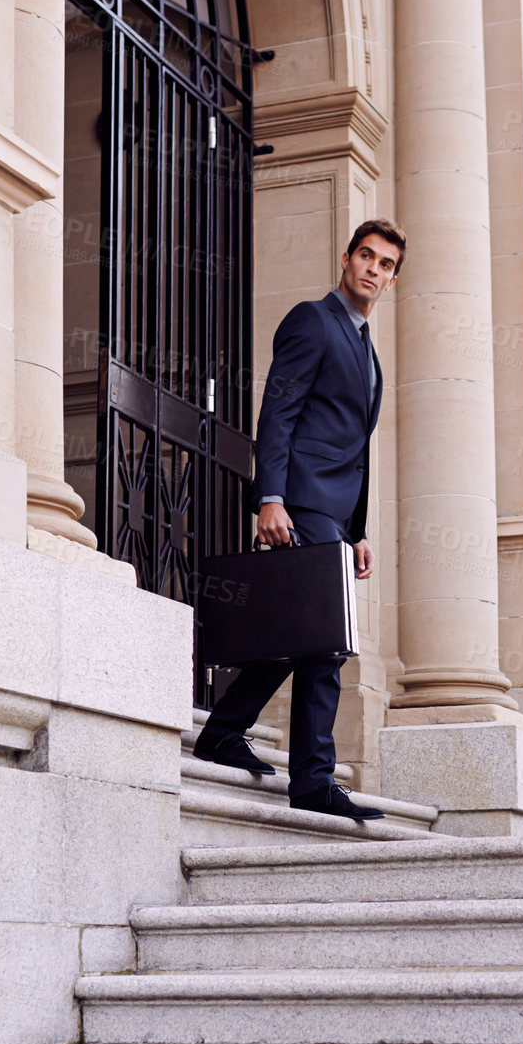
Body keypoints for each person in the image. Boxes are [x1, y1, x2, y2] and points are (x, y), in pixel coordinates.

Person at [193, 219, 405, 822]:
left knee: (296, 635)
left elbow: (358, 451)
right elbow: (279, 411)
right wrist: (270, 497)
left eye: (386, 263)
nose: (373, 268)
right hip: (302, 499)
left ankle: (222, 731)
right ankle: (312, 779)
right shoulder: (313, 320)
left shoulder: (366, 348)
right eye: (366, 255)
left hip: (336, 513)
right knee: (324, 644)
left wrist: (359, 530)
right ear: (346, 259)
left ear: (392, 279)